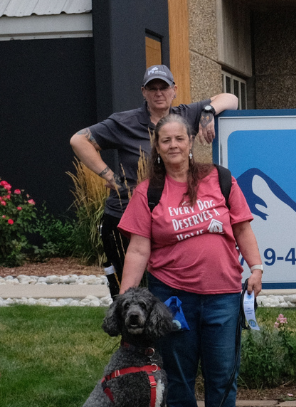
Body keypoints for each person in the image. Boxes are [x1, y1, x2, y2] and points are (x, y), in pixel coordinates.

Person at [119, 112, 263, 407]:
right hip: (172, 297)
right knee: (180, 373)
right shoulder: (148, 192)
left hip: (224, 294)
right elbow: (138, 249)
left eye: (179, 139)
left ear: (190, 142)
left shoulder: (220, 179)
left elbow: (242, 228)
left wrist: (256, 267)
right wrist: (125, 300)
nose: (173, 145)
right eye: (165, 140)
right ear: (157, 146)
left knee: (223, 370)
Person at [70, 65, 239, 295]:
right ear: (143, 92)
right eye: (152, 88)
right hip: (125, 217)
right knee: (130, 292)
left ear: (174, 90)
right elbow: (79, 140)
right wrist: (109, 176)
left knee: (167, 288)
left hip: (170, 221)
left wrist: (208, 110)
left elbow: (231, 98)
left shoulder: (186, 115)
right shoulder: (124, 122)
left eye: (164, 87)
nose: (159, 93)